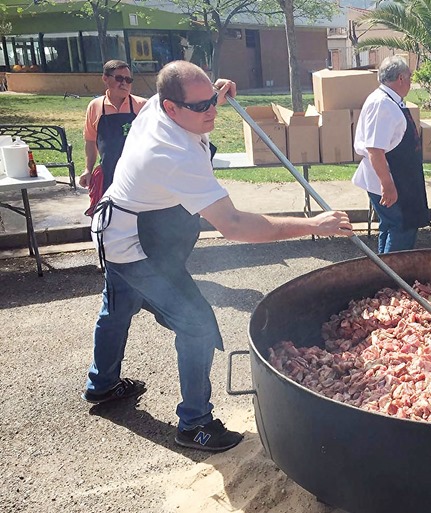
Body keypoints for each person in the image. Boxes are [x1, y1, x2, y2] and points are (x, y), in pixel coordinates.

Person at [83, 61, 353, 452]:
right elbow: (235, 225)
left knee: (118, 306)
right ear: (171, 108)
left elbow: (189, 90)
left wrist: (213, 93)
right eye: (200, 106)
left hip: (118, 226)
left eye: (212, 100)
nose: (211, 110)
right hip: (133, 245)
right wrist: (314, 224)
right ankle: (195, 424)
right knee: (196, 325)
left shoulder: (161, 104)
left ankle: (103, 384)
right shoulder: (173, 153)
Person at [352, 56, 429, 253]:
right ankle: (392, 277)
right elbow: (375, 150)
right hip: (392, 180)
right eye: (410, 77)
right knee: (401, 227)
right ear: (401, 78)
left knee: (390, 226)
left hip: (400, 177)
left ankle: (384, 274)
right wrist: (387, 185)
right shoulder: (383, 105)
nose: (411, 82)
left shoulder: (389, 101)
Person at [80, 60, 147, 213]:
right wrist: (88, 170)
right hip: (108, 173)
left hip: (137, 176)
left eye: (128, 80)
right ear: (105, 78)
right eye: (119, 79)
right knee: (107, 217)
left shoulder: (142, 106)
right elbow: (90, 140)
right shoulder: (95, 106)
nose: (124, 83)